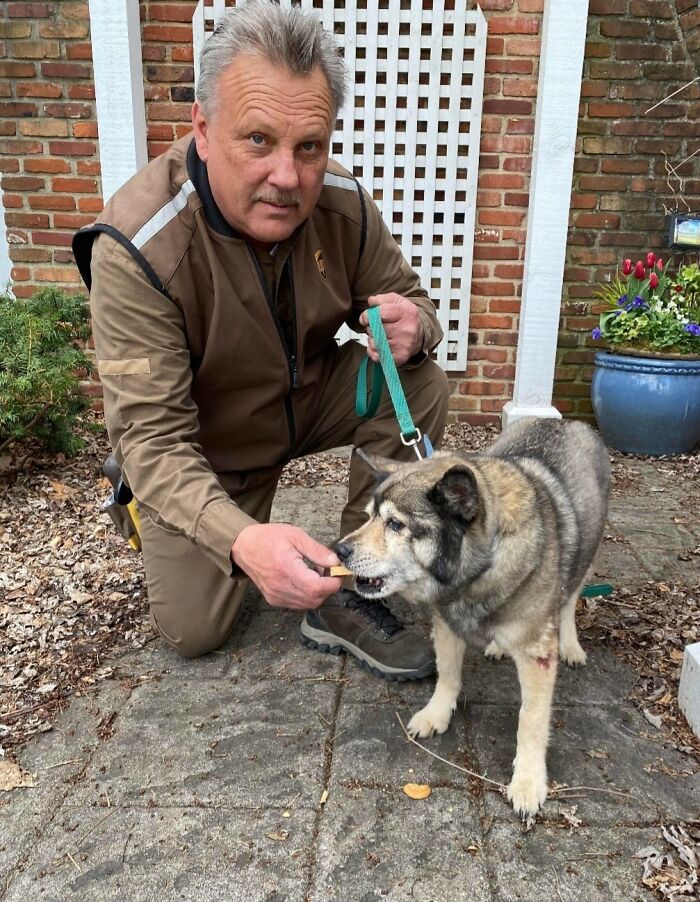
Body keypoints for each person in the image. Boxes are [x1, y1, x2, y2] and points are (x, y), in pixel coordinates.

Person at [72, 0, 449, 680]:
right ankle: (152, 504)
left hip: (302, 401)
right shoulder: (138, 248)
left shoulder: (343, 205)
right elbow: (154, 440)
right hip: (205, 442)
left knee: (419, 381)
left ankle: (351, 590)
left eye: (310, 146)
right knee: (194, 630)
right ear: (204, 129)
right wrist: (241, 539)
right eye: (258, 141)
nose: (288, 177)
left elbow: (416, 304)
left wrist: (415, 326)